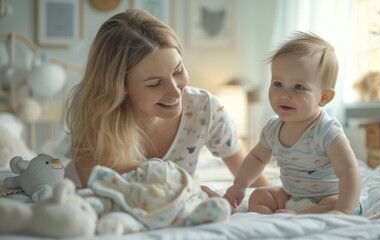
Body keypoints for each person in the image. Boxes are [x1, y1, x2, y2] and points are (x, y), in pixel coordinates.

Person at [64, 8, 272, 191]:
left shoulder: (206, 110)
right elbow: (95, 183)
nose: (175, 91)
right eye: (155, 83)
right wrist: (193, 189)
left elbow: (253, 180)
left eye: (178, 70)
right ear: (121, 86)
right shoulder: (96, 116)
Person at [223, 32, 361, 215]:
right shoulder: (273, 128)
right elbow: (257, 158)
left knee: (332, 205)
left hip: (328, 197)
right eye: (278, 84)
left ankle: (300, 216)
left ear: (324, 97)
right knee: (258, 196)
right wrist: (240, 185)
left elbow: (349, 171)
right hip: (291, 196)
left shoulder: (326, 131)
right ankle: (280, 217)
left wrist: (345, 209)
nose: (284, 94)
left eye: (298, 87)